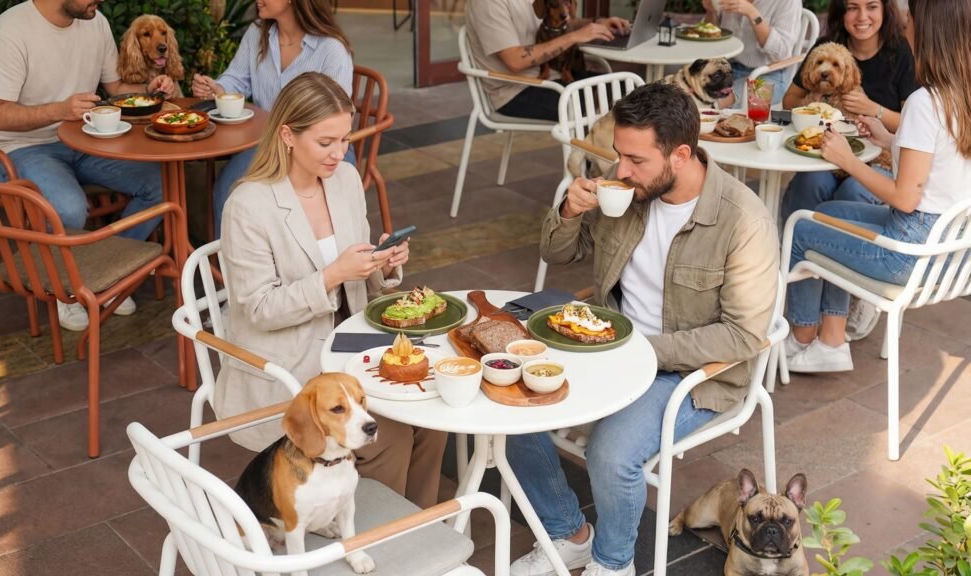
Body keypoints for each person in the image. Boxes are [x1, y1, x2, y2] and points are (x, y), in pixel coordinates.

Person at [508, 82, 778, 576]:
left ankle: (613, 565)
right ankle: (570, 535)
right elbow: (557, 253)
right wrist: (570, 211)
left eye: (636, 160)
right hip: (614, 347)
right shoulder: (623, 185)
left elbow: (741, 337)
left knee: (611, 456)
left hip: (692, 372)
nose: (620, 170)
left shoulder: (744, 222)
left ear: (680, 154)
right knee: (505, 402)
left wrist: (636, 350)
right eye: (619, 155)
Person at [218, 72, 447, 509]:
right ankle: (378, 539)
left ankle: (419, 527)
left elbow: (361, 279)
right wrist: (331, 276)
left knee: (433, 423)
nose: (339, 153)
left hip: (351, 348)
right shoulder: (248, 206)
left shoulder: (342, 179)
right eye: (326, 142)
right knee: (390, 436)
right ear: (287, 134)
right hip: (290, 363)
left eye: (344, 139)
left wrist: (381, 263)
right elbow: (259, 308)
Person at [784, 0, 971, 373]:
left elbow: (905, 197)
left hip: (910, 251)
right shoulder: (960, 94)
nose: (905, 28)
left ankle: (804, 338)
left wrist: (848, 160)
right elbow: (939, 162)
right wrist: (888, 140)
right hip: (955, 249)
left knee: (802, 228)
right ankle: (832, 340)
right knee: (826, 214)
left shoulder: (923, 102)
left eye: (911, 21)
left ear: (927, 31)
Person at [0, 0, 175, 331]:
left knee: (161, 184)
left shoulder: (94, 21)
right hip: (22, 147)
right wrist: (58, 110)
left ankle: (107, 271)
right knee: (68, 209)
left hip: (83, 137)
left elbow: (115, 90)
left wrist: (149, 88)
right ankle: (68, 289)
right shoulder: (10, 30)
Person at [191, 0, 353, 238]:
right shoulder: (257, 33)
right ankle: (231, 267)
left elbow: (333, 118)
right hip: (267, 142)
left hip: (321, 144)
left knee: (246, 188)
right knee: (229, 188)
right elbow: (236, 79)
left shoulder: (331, 50)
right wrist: (216, 88)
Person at [780, 0, 916, 215]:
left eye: (871, 7)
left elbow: (912, 125)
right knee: (811, 181)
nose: (862, 17)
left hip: (880, 157)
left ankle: (834, 245)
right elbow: (790, 100)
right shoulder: (825, 45)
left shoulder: (900, 53)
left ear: (884, 11)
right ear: (842, 12)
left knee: (853, 191)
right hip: (828, 151)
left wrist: (874, 109)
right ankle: (792, 241)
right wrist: (816, 104)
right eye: (853, 8)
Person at [464, 0, 630, 121]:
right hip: (516, 91)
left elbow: (561, 24)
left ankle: (603, 162)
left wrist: (597, 23)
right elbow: (514, 61)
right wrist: (573, 37)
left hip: (552, 78)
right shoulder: (487, 3)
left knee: (625, 87)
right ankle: (592, 163)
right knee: (611, 99)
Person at [702, 0, 802, 104]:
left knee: (717, 101)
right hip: (727, 70)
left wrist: (752, 13)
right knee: (694, 92)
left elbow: (782, 52)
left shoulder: (788, 2)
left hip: (768, 75)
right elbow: (710, 36)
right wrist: (711, 11)